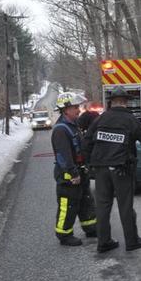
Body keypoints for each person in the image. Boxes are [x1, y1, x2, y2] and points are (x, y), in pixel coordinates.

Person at [83, 86, 141, 253]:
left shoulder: (100, 119)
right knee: (125, 206)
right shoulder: (131, 120)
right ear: (126, 102)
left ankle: (103, 242)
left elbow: (87, 141)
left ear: (111, 102)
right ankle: (132, 241)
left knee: (103, 206)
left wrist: (88, 162)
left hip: (101, 169)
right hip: (121, 169)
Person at [51, 92, 97, 246]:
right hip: (69, 176)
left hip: (80, 172)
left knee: (86, 201)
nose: (79, 110)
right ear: (66, 110)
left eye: (78, 106)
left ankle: (90, 228)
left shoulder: (74, 126)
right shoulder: (61, 130)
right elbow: (63, 156)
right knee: (68, 205)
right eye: (75, 107)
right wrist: (72, 173)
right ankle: (64, 234)